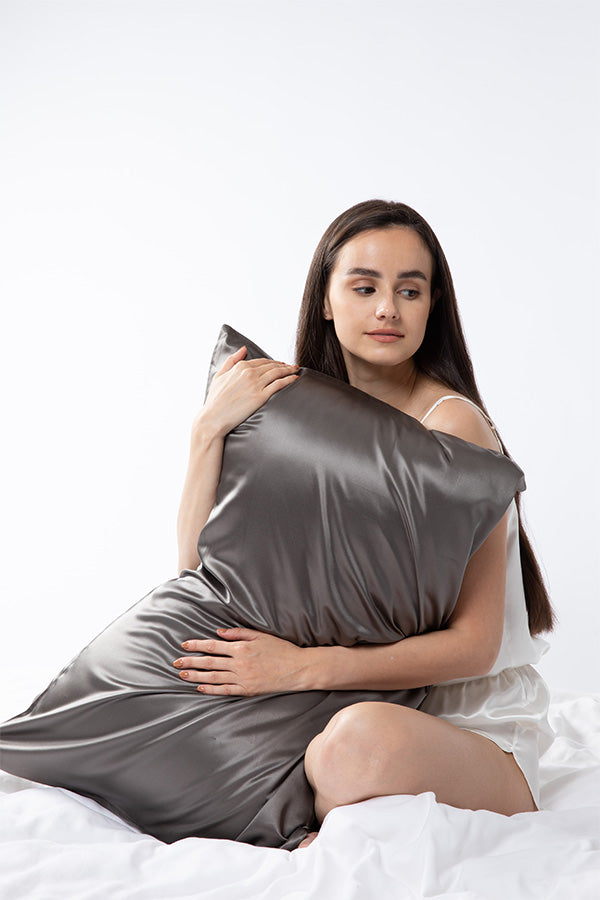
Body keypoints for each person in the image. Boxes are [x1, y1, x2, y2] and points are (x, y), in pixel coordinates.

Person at [173, 199, 555, 847]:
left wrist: (297, 670)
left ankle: (309, 808)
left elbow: (476, 646)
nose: (388, 309)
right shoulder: (293, 421)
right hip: (332, 704)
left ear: (432, 306)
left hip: (466, 728)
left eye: (411, 290)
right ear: (325, 298)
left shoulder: (452, 428)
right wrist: (208, 430)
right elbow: (197, 577)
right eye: (364, 286)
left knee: (351, 748)